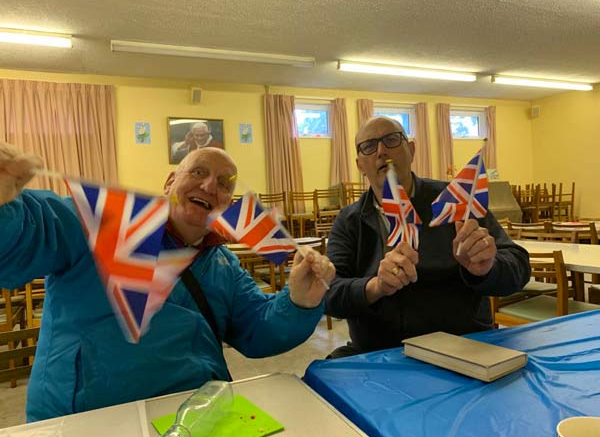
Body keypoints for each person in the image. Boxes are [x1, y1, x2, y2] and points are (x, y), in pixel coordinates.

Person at [0, 143, 335, 421]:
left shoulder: (223, 263)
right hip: (89, 419)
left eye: (224, 183)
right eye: (198, 172)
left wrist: (299, 301)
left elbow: (258, 331)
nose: (209, 186)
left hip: (194, 416)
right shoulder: (102, 223)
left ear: (226, 205)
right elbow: (25, 234)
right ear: (169, 182)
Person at [325, 116, 530, 358]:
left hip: (462, 344)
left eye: (391, 139)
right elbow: (328, 293)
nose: (381, 151)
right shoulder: (349, 220)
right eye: (369, 146)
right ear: (360, 165)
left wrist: (487, 268)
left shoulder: (454, 200)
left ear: (411, 150)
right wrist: (375, 287)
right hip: (377, 351)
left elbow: (519, 266)